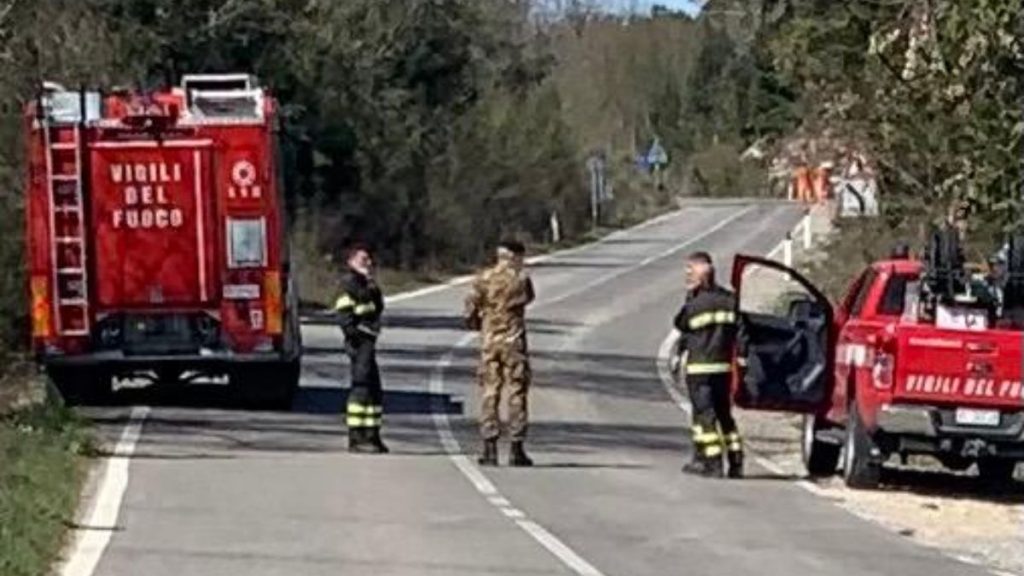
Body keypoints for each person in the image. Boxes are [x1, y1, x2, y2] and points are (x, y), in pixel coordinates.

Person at [669, 252, 743, 478]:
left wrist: (691, 297)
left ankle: (712, 462)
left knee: (704, 416)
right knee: (725, 416)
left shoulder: (695, 303)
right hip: (722, 368)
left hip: (699, 368)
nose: (687, 276)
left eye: (690, 271)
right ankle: (736, 462)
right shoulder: (731, 300)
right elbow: (742, 332)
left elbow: (681, 324)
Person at [464, 239, 536, 467]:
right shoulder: (521, 280)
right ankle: (516, 448)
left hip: (489, 342)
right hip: (514, 342)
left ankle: (489, 447)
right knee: (517, 392)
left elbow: (469, 311)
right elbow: (528, 298)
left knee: (490, 392)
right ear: (515, 256)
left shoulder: (482, 279)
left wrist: (482, 325)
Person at [334, 243, 389, 454]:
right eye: (363, 260)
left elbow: (377, 307)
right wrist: (358, 335)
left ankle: (373, 435)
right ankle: (356, 438)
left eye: (369, 260)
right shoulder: (348, 284)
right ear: (351, 262)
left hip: (368, 342)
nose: (368, 264)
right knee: (361, 388)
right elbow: (345, 318)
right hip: (359, 343)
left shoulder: (366, 283)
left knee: (374, 390)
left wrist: (372, 285)